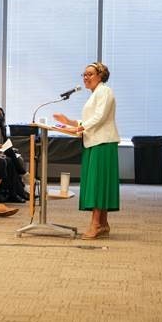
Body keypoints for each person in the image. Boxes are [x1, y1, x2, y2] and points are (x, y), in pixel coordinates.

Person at [53, 62, 120, 240]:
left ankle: (96, 224)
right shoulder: (95, 94)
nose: (85, 77)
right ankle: (103, 224)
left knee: (98, 184)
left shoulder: (105, 91)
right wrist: (70, 122)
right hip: (94, 142)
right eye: (83, 74)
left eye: (89, 74)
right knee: (98, 183)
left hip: (103, 143)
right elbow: (89, 120)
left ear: (101, 75)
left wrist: (79, 128)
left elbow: (100, 117)